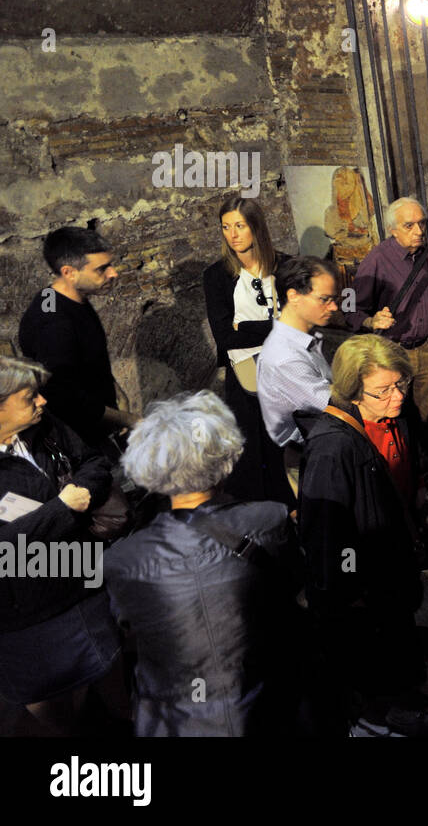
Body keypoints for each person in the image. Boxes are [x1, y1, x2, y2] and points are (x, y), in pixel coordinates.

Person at [104, 390, 301, 736]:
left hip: (174, 719)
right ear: (224, 458)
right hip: (264, 701)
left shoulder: (120, 560)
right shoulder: (271, 518)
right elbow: (291, 582)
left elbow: (125, 628)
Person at [295, 334, 428, 737]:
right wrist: (348, 588)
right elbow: (324, 531)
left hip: (394, 553)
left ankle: (395, 696)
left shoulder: (396, 412)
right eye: (383, 390)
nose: (396, 397)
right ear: (351, 390)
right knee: (375, 647)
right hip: (364, 572)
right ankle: (383, 711)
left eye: (402, 384)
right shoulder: (333, 447)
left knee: (398, 632)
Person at [0, 356, 127, 735]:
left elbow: (92, 461)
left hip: (81, 583)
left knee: (112, 679)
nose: (42, 402)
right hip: (25, 613)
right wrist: (60, 510)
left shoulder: (46, 428)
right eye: (29, 397)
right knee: (57, 713)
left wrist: (84, 490)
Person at [202, 194, 294, 503]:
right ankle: (259, 514)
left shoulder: (286, 267)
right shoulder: (216, 276)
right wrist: (276, 327)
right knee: (252, 447)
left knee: (284, 441)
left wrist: (248, 328)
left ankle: (290, 506)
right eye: (226, 227)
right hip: (245, 371)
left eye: (239, 226)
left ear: (256, 227)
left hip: (286, 366)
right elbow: (226, 338)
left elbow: (301, 323)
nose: (233, 235)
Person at [344, 196, 428, 478]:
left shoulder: (423, 252)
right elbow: (350, 306)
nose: (419, 231)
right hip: (397, 352)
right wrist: (370, 319)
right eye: (409, 225)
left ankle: (425, 474)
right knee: (398, 420)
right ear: (393, 230)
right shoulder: (378, 259)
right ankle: (400, 476)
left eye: (422, 223)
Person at [18, 227, 137, 451]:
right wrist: (126, 419)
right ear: (69, 272)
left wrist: (117, 394)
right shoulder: (52, 323)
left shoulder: (51, 295)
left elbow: (88, 360)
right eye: (102, 269)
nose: (113, 273)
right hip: (80, 443)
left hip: (99, 426)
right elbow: (64, 396)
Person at [256, 256, 339, 449]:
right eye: (324, 299)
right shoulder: (285, 358)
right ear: (293, 296)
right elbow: (334, 405)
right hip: (310, 452)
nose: (334, 307)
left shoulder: (307, 337)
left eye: (334, 299)